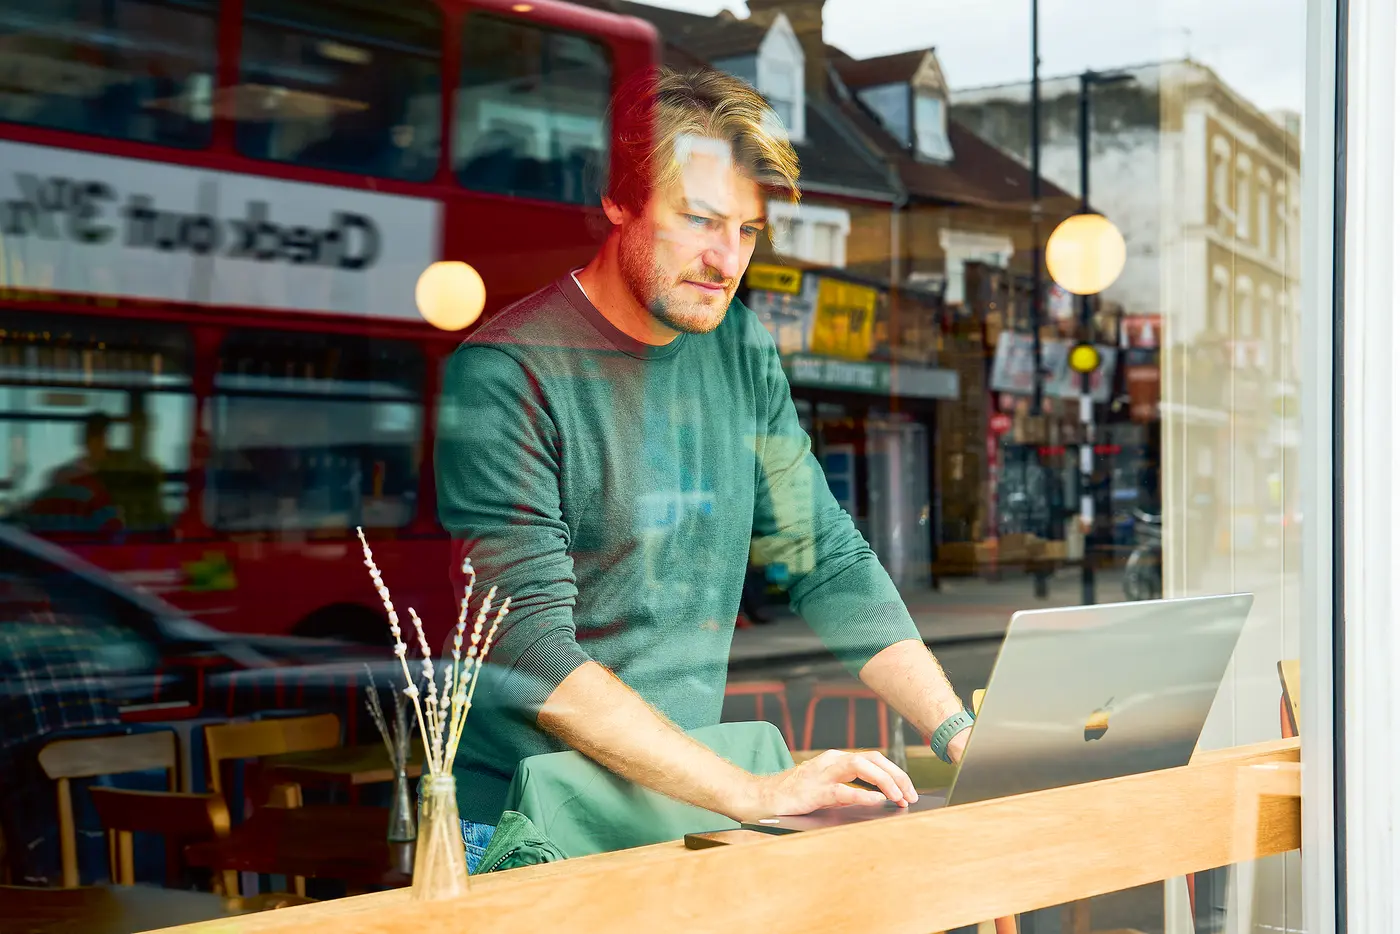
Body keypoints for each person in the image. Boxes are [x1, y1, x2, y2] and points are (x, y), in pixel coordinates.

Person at [435, 65, 974, 870]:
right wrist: (757, 793)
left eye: (748, 231)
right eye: (699, 220)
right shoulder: (506, 375)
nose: (728, 260)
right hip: (529, 824)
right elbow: (534, 655)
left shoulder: (739, 347)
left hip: (681, 802)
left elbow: (825, 556)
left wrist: (959, 733)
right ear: (618, 202)